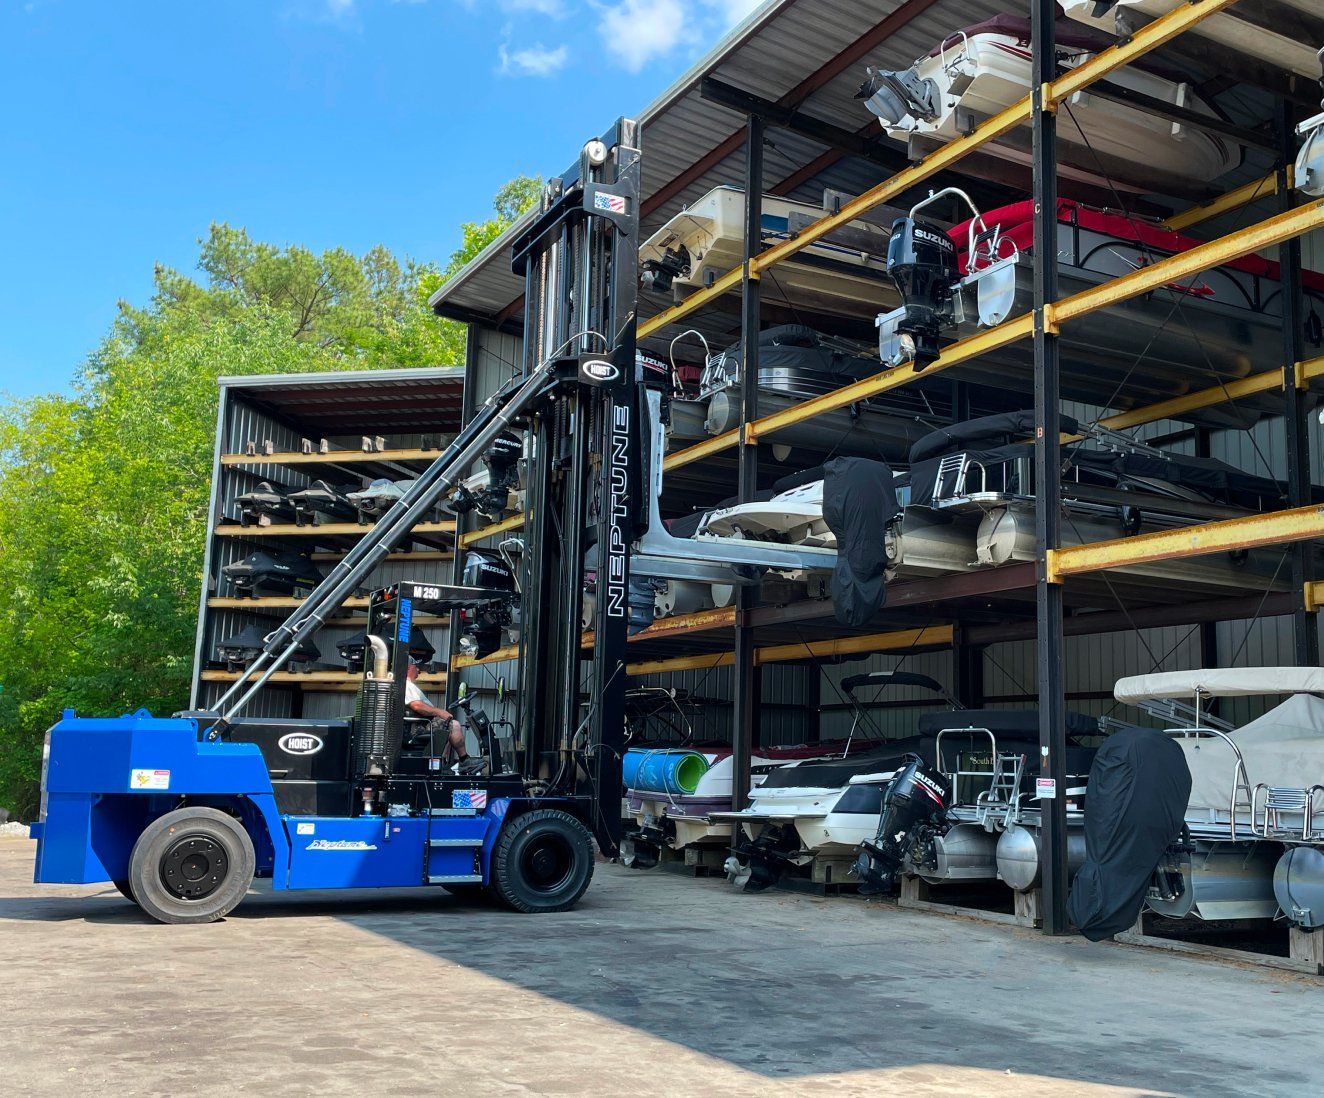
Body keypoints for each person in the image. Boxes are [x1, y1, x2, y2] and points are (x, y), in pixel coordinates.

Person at [404, 659, 476, 770]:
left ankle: (443, 764)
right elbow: (416, 706)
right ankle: (464, 759)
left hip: (422, 723)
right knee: (454, 725)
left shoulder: (409, 685)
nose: (418, 670)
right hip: (418, 726)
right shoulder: (405, 684)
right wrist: (440, 712)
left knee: (446, 725)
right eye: (416, 666)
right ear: (408, 667)